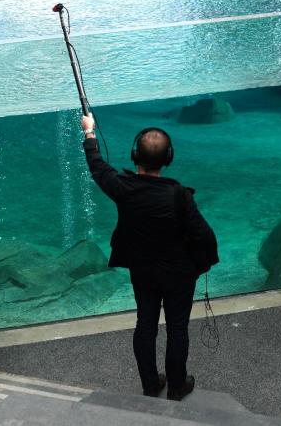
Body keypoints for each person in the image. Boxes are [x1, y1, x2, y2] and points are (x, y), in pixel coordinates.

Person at [80, 113, 218, 401]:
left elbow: (98, 169)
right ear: (168, 158)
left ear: (134, 156)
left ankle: (150, 384)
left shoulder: (124, 189)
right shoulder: (180, 195)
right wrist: (200, 264)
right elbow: (204, 235)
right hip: (179, 274)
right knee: (177, 328)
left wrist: (89, 133)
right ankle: (177, 387)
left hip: (143, 271)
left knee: (146, 325)